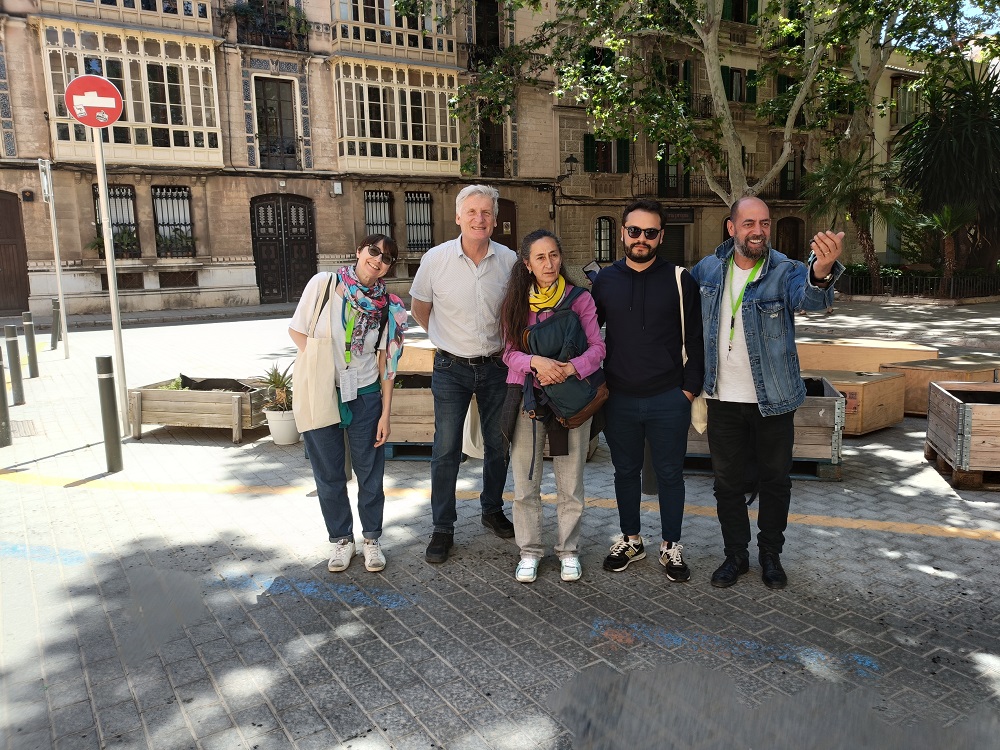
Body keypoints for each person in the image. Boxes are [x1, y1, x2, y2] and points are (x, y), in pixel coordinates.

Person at [690, 196, 844, 590]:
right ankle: (735, 555)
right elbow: (680, 311)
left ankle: (770, 555)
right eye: (749, 224)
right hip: (722, 399)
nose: (758, 231)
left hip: (773, 400)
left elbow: (810, 297)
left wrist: (822, 270)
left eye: (764, 223)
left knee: (776, 481)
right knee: (726, 484)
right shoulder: (708, 269)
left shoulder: (786, 270)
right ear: (731, 228)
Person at [591, 199, 704, 582]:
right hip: (619, 398)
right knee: (625, 472)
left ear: (661, 236)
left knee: (671, 474)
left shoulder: (680, 279)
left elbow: (696, 339)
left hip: (669, 398)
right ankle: (631, 540)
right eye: (634, 231)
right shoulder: (605, 280)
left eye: (650, 232)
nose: (641, 238)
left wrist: (687, 391)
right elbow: (590, 336)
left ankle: (671, 545)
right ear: (623, 232)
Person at [410, 185, 518, 563]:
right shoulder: (436, 258)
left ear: (494, 219)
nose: (479, 219)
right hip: (450, 367)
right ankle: (443, 527)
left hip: (497, 367)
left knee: (498, 445)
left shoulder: (509, 261)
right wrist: (445, 338)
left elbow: (516, 311)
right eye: (471, 212)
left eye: (486, 212)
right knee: (445, 449)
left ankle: (492, 509)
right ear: (458, 217)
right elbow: (420, 308)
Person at [289, 235, 407, 573]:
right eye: (374, 251)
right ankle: (342, 540)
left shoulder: (390, 307)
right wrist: (322, 368)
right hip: (322, 391)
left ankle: (371, 539)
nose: (378, 260)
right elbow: (297, 331)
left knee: (370, 473)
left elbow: (388, 364)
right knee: (328, 473)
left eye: (387, 257)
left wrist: (386, 414)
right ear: (359, 251)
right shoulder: (324, 284)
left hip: (366, 395)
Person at [498, 229, 606, 583]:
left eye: (554, 255)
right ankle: (529, 551)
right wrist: (536, 363)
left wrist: (569, 369)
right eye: (540, 257)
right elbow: (508, 353)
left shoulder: (580, 299)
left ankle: (568, 550)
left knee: (570, 482)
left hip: (571, 399)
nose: (549, 263)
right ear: (527, 264)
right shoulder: (515, 302)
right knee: (526, 482)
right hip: (528, 398)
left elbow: (598, 348)